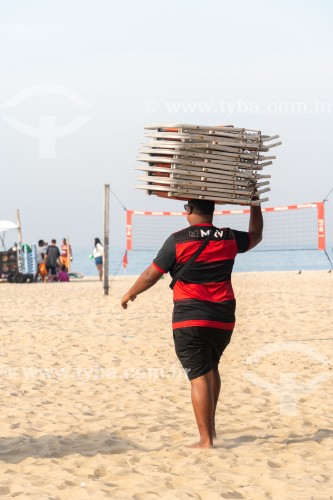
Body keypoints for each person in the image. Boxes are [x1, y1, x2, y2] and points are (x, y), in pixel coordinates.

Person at [121, 198, 263, 448]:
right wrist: (254, 204)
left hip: (190, 317)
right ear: (212, 211)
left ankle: (205, 441)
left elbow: (150, 275)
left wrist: (131, 293)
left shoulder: (177, 240)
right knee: (212, 367)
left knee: (198, 376)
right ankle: (212, 430)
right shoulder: (228, 237)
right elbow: (256, 235)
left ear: (189, 211)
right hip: (223, 317)